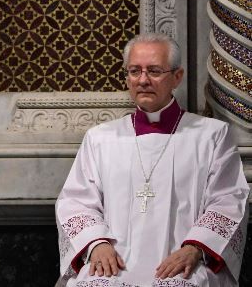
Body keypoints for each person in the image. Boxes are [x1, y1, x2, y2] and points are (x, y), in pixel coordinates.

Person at [56, 33, 249, 286]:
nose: (143, 80)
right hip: (114, 262)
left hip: (183, 262)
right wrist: (96, 243)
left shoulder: (212, 135)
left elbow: (228, 200)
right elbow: (76, 202)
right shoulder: (100, 138)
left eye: (155, 71)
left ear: (177, 77)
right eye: (135, 71)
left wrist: (195, 247)